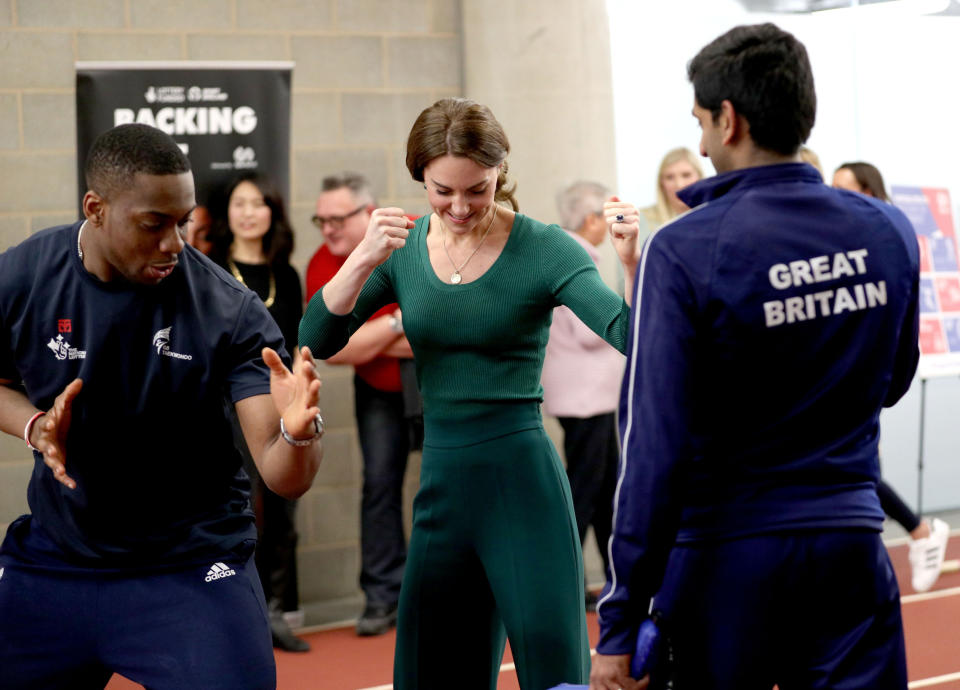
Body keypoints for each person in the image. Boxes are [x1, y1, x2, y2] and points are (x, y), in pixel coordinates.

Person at [592, 24, 919, 690]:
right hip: (851, 548)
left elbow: (653, 448)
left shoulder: (681, 249)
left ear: (729, 119)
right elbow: (894, 380)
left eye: (702, 126)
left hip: (723, 562)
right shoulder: (887, 229)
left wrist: (620, 621)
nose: (704, 145)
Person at [299, 97, 637, 690]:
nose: (459, 207)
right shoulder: (402, 251)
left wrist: (632, 266)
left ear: (500, 173)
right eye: (441, 191)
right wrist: (361, 257)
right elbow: (318, 339)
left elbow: (629, 333)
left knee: (554, 671)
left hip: (523, 484)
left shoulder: (545, 247)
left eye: (477, 190)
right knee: (431, 672)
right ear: (419, 179)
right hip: (443, 490)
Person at [0, 123, 324, 690]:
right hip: (58, 561)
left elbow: (283, 476)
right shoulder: (23, 277)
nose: (174, 242)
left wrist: (299, 433)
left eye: (184, 221)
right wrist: (32, 425)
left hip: (189, 565)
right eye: (154, 224)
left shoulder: (230, 310)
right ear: (95, 208)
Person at [304, 171, 419, 637]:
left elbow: (441, 321)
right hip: (377, 390)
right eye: (321, 219)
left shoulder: (411, 234)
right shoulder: (321, 263)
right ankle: (382, 598)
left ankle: (458, 591)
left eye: (337, 218)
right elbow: (330, 349)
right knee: (379, 488)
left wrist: (366, 336)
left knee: (451, 483)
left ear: (368, 213)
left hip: (436, 378)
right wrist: (396, 325)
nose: (328, 228)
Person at [831, 160, 951, 592]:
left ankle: (916, 533)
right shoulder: (836, 240)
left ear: (871, 191)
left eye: (846, 188)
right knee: (854, 473)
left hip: (864, 382)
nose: (835, 197)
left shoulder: (886, 241)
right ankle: (916, 532)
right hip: (842, 380)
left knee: (855, 472)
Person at [208, 171, 311, 651]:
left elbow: (296, 346)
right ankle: (234, 611)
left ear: (273, 212)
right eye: (239, 203)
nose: (249, 212)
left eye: (258, 203)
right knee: (241, 506)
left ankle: (273, 610)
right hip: (223, 409)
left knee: (283, 509)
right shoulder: (207, 266)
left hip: (279, 404)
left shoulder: (285, 274)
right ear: (226, 213)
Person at [543, 180, 626, 610]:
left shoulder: (564, 251)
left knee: (603, 491)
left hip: (589, 395)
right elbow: (592, 329)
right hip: (585, 396)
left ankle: (617, 578)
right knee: (585, 490)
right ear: (591, 219)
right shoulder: (577, 255)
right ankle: (561, 581)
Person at [639, 147, 704, 233]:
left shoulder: (715, 217)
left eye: (686, 175)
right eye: (670, 177)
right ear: (661, 183)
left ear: (699, 177)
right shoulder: (641, 221)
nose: (679, 184)